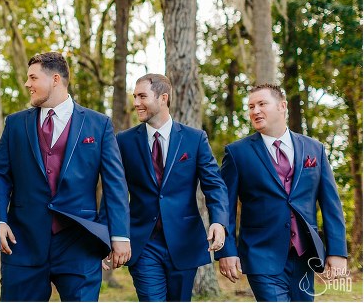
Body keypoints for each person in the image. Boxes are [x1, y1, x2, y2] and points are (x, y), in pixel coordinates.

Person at [0, 52, 130, 302]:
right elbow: (0, 175)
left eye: (33, 77)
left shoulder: (99, 125)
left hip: (79, 241)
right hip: (23, 240)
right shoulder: (15, 124)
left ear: (55, 79)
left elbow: (114, 184)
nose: (27, 84)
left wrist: (118, 234)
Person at [215, 84, 348, 301]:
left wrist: (337, 251)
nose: (255, 111)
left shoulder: (314, 149)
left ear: (282, 106)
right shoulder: (237, 153)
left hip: (305, 255)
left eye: (262, 104)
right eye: (251, 107)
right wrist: (227, 251)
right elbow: (225, 206)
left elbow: (331, 204)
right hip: (261, 253)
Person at [116, 74, 228, 301]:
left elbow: (214, 185)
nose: (136, 102)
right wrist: (112, 234)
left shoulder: (195, 139)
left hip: (184, 241)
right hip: (143, 242)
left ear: (163, 98)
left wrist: (219, 220)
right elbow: (114, 190)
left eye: (142, 96)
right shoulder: (123, 141)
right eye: (134, 96)